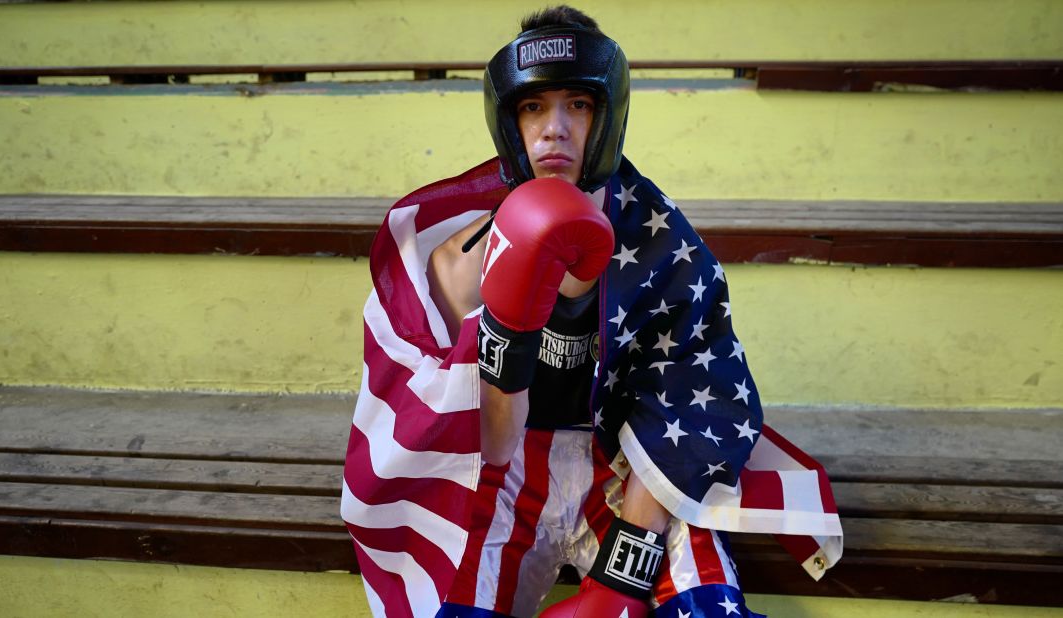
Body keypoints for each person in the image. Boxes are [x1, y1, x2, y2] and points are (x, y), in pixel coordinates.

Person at [342, 6, 843, 618]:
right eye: (533, 107)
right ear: (509, 122)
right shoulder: (455, 254)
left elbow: (687, 403)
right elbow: (479, 442)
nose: (554, 129)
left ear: (608, 116)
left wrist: (619, 582)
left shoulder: (663, 244)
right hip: (505, 470)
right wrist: (507, 321)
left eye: (577, 105)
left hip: (626, 469)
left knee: (707, 611)